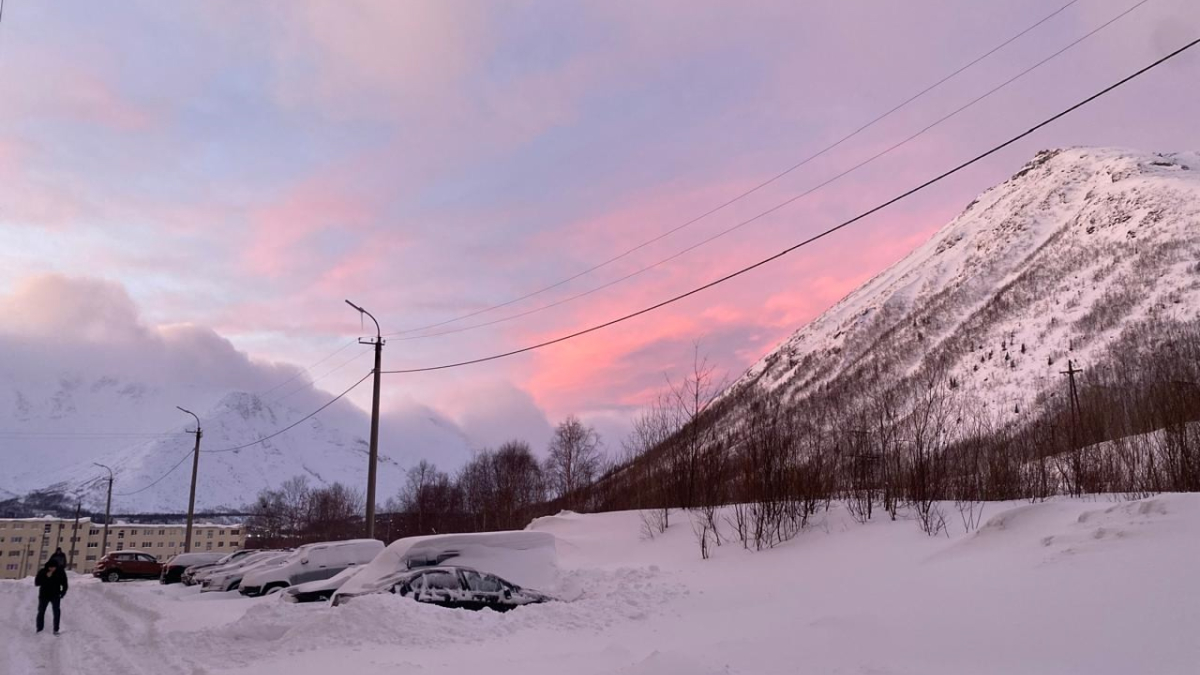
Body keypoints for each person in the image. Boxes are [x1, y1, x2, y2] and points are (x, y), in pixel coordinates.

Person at [34, 561, 68, 634]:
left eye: (53, 567)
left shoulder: (60, 572)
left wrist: (63, 593)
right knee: (41, 611)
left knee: (56, 612)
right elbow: (37, 583)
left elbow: (65, 583)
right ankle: (39, 629)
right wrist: (46, 576)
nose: (52, 569)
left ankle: (56, 629)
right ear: (47, 567)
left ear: (56, 567)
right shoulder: (43, 571)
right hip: (44, 595)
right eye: (50, 567)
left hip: (55, 595)